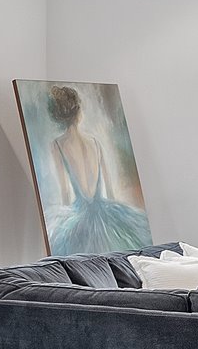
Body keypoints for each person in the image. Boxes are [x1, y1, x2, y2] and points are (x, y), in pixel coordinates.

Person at [44, 85, 150, 254]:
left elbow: (65, 192)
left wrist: (64, 221)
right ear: (78, 113)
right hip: (106, 210)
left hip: (80, 214)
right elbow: (110, 191)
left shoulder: (58, 145)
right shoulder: (94, 143)